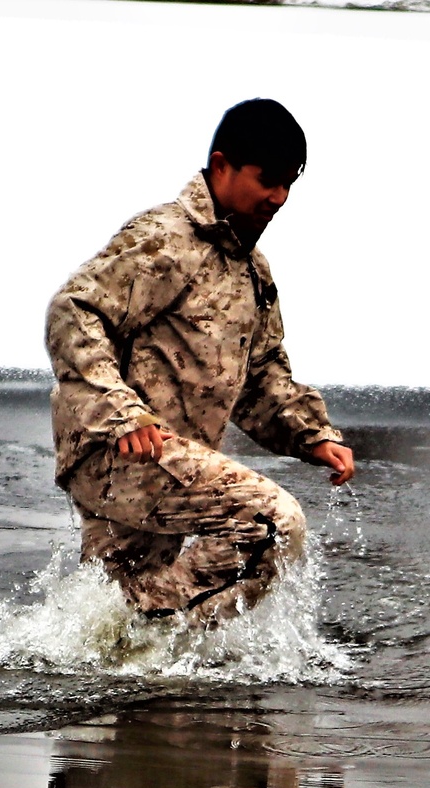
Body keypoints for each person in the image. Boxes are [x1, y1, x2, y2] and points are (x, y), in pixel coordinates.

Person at [45, 98, 354, 626]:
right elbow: (74, 311)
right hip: (122, 453)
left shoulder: (252, 268)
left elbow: (260, 377)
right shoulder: (167, 240)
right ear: (221, 165)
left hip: (161, 459)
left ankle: (119, 657)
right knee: (273, 526)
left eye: (289, 185)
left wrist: (310, 434)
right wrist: (124, 414)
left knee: (107, 617)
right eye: (268, 180)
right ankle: (147, 633)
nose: (278, 198)